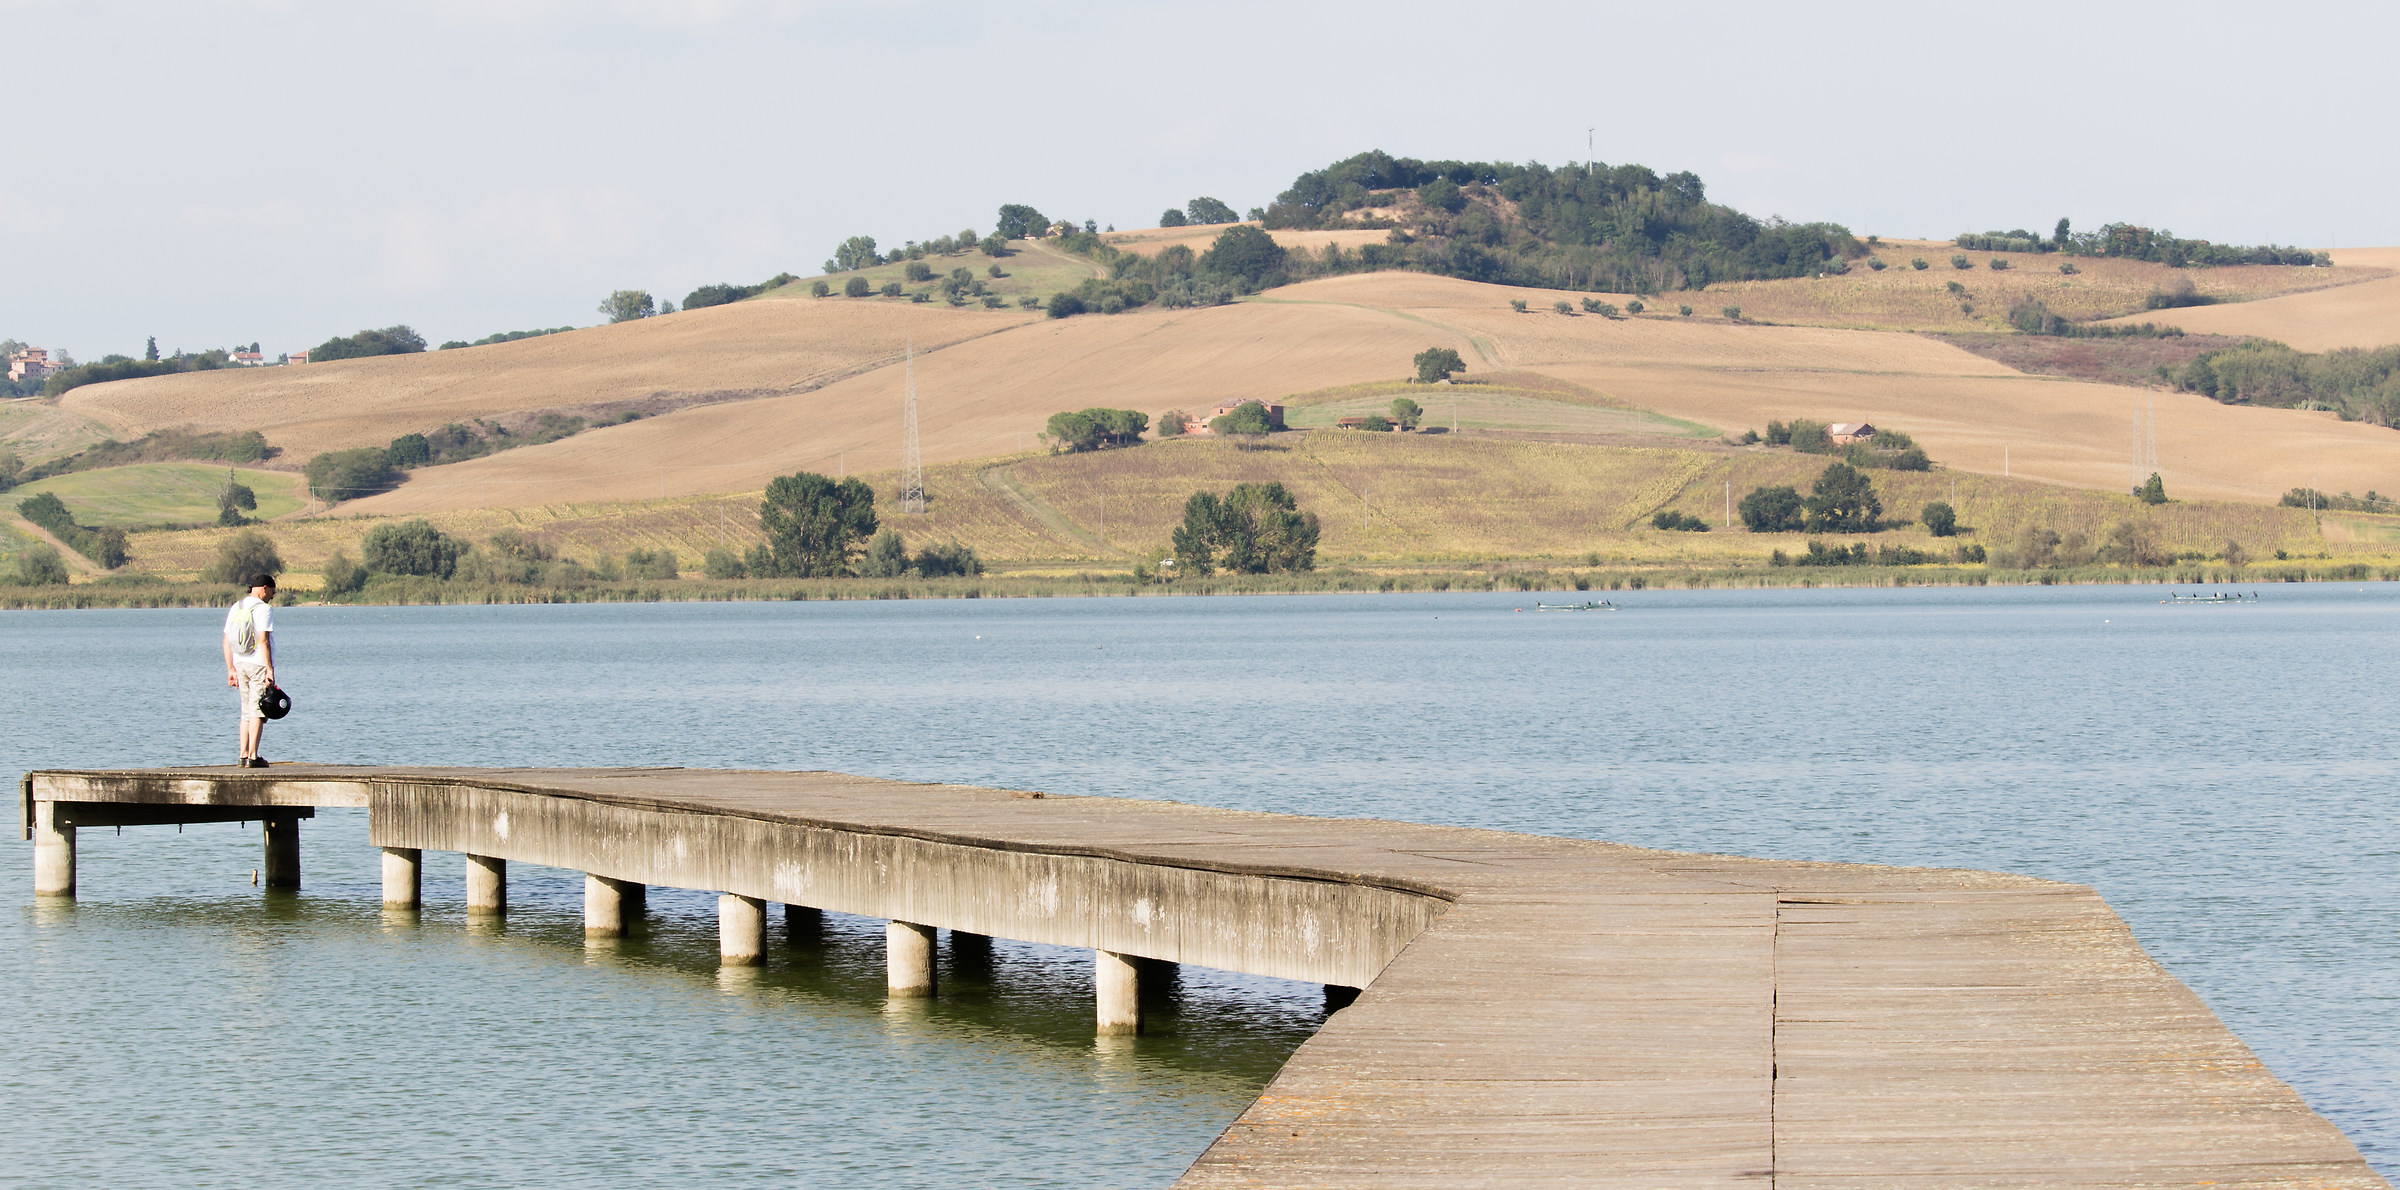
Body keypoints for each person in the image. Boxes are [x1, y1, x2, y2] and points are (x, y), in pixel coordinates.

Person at [222, 573, 277, 768]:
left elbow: (226, 641)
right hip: (258, 664)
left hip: (240, 663)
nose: (272, 596)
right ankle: (253, 757)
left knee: (246, 710)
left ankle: (243, 755)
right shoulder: (263, 609)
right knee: (258, 711)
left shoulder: (236, 607)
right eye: (272, 592)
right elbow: (264, 640)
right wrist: (269, 669)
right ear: (264, 588)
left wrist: (230, 669)